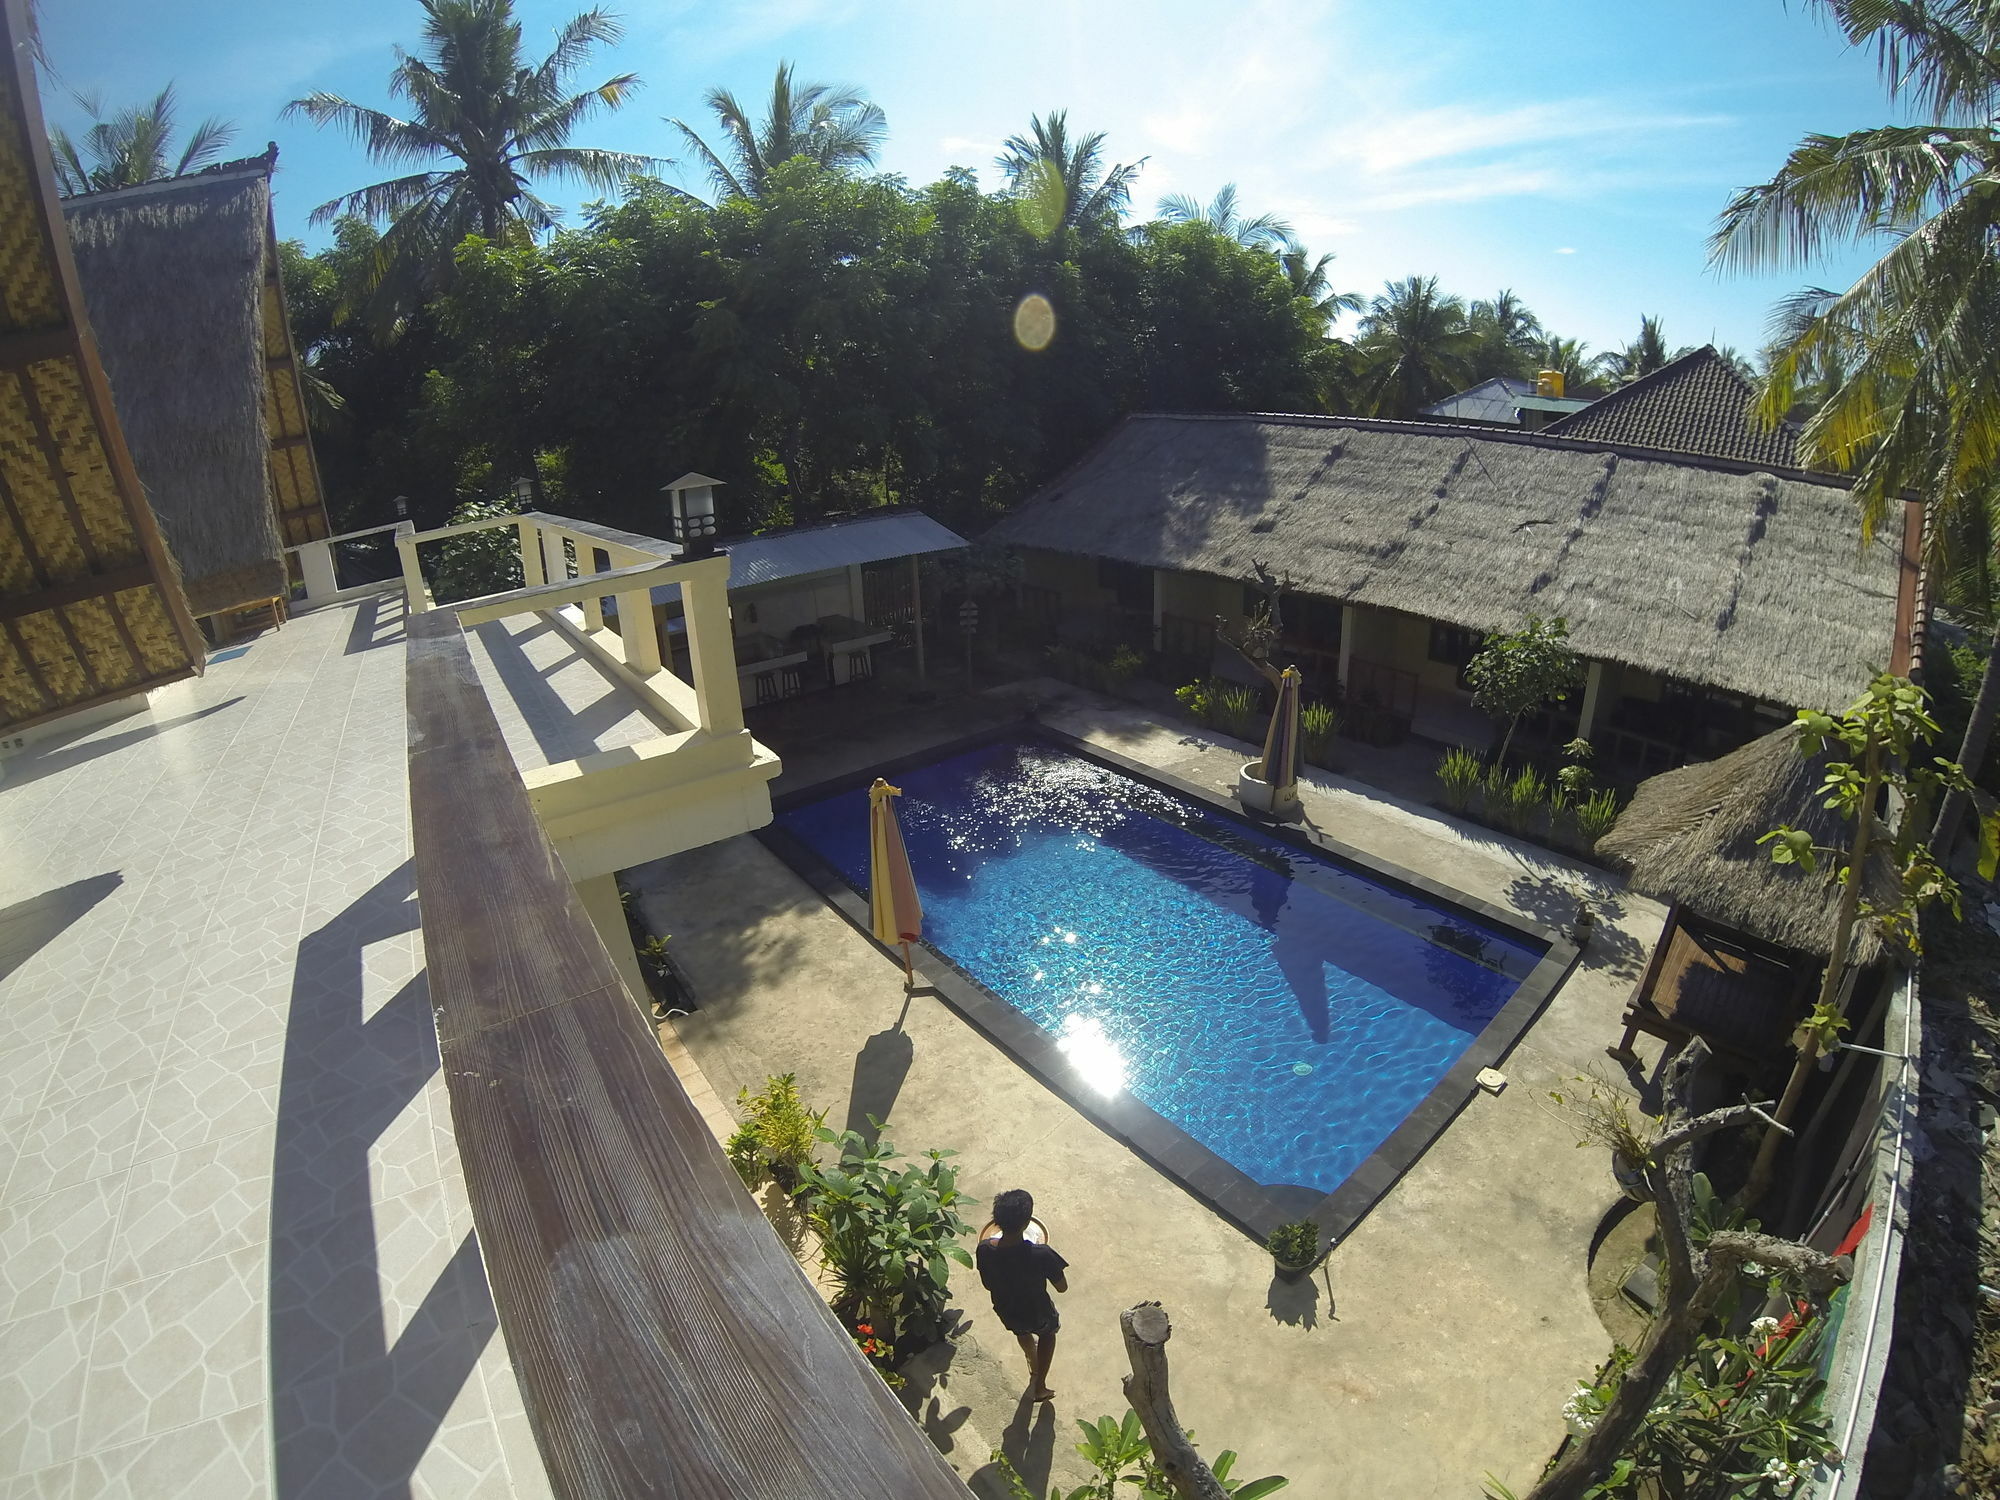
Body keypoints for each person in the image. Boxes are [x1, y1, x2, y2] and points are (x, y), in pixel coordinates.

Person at [975, 1188, 1068, 1402]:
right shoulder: (1041, 1254)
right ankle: (1040, 1385)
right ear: (1027, 1224)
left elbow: (987, 1284)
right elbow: (1062, 1287)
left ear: (996, 1222)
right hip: (1038, 1309)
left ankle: (1031, 1360)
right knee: (1047, 1335)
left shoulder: (984, 1249)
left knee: (1022, 1332)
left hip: (1006, 1308)